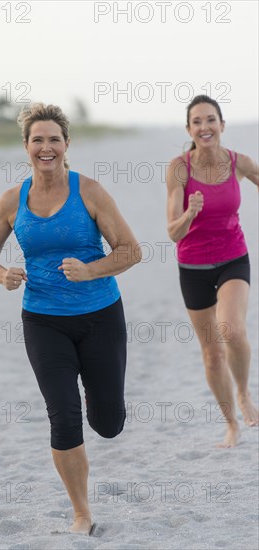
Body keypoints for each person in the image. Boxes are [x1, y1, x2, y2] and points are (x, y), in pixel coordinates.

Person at [0, 103, 141, 534]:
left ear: (67, 144)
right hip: (43, 320)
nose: (45, 147)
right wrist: (1, 275)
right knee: (62, 413)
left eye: (54, 139)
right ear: (26, 146)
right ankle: (82, 512)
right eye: (37, 140)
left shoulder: (90, 192)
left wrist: (91, 269)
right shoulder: (13, 200)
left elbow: (130, 250)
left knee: (107, 423)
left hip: (101, 315)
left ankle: (98, 399)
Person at [166, 94, 259, 448]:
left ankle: (244, 393)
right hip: (193, 266)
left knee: (232, 330)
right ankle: (230, 423)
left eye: (210, 120)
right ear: (189, 129)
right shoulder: (179, 168)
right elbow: (172, 232)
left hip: (233, 258)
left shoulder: (239, 162)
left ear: (222, 125)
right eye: (197, 122)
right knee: (212, 352)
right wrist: (190, 213)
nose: (204, 127)